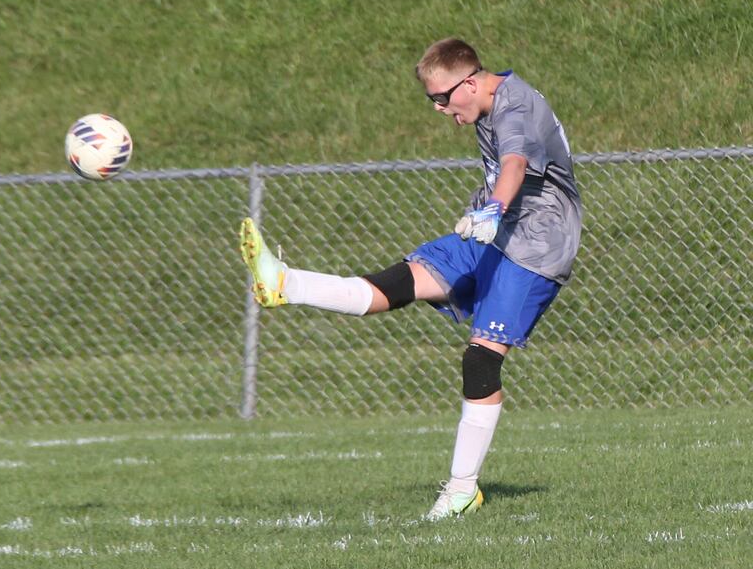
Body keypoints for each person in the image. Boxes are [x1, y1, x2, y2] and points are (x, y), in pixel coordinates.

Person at [239, 37, 582, 520]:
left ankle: (463, 490)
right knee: (399, 282)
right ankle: (286, 283)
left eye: (443, 97)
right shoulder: (483, 104)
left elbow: (515, 164)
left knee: (480, 362)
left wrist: (493, 208)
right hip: (496, 231)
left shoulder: (514, 106)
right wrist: (486, 213)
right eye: (431, 101)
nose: (440, 109)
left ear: (469, 82)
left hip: (536, 246)